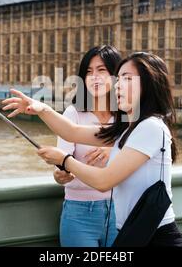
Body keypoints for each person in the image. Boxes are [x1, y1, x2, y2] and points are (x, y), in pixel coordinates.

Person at [2, 52, 182, 247]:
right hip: (133, 231)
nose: (118, 85)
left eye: (127, 78)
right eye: (118, 78)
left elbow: (104, 181)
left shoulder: (150, 127)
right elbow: (72, 131)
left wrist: (65, 160)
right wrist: (41, 109)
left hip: (155, 237)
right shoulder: (127, 130)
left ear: (149, 84)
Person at [53, 45, 122, 247]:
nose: (94, 77)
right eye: (89, 72)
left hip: (123, 211)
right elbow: (62, 164)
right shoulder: (73, 115)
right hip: (80, 213)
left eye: (102, 70)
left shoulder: (127, 116)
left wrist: (114, 151)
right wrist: (60, 174)